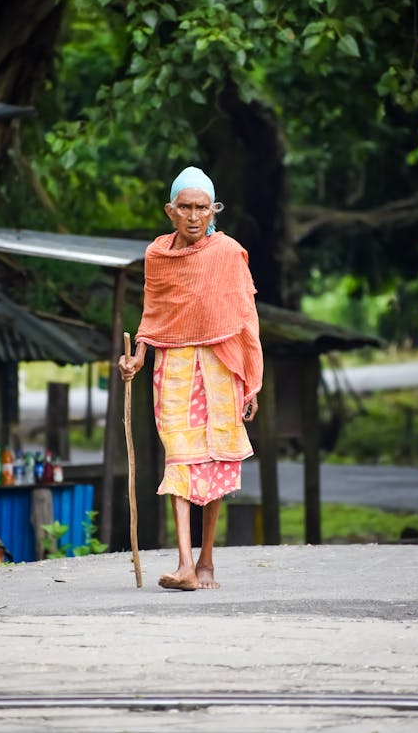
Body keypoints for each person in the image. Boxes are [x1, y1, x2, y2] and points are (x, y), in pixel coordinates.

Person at [118, 166, 263, 590]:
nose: (194, 216)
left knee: (216, 457)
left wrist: (252, 379)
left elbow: (245, 319)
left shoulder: (229, 253)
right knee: (180, 455)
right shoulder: (157, 256)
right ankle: (184, 564)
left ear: (214, 210)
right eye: (186, 207)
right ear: (170, 211)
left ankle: (207, 563)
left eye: (202, 207)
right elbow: (154, 315)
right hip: (175, 365)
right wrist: (137, 358)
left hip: (221, 366)